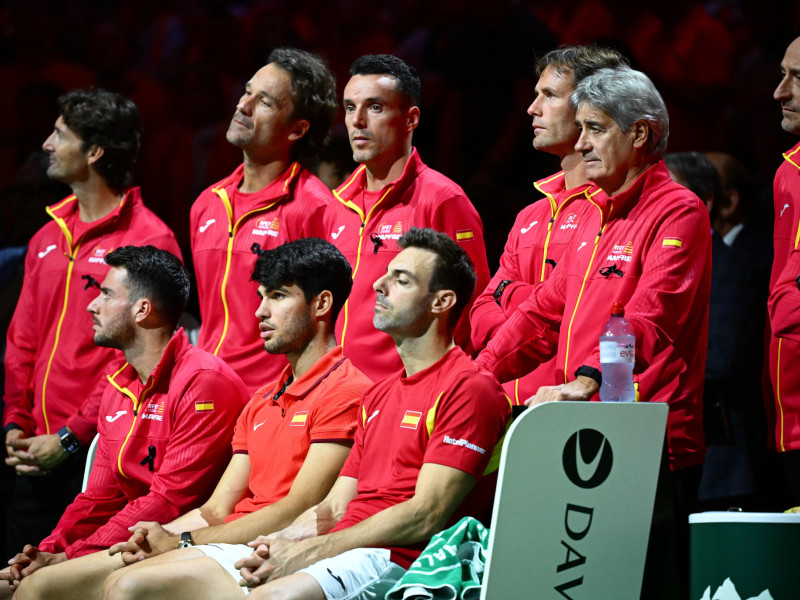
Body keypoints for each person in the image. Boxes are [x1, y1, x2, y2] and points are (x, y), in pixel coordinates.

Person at [104, 228, 510, 600]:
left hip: (398, 559)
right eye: (385, 275)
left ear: (442, 302)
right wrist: (277, 542)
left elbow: (426, 515)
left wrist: (311, 548)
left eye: (401, 280)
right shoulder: (382, 393)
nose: (378, 286)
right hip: (343, 546)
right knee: (128, 584)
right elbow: (332, 508)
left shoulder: (470, 387)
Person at [9, 238, 372, 600]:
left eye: (277, 296)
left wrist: (180, 539)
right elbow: (215, 508)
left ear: (322, 303)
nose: (260, 312)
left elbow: (295, 510)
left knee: (122, 586)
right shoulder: (261, 400)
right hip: (223, 541)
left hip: (269, 549)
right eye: (261, 296)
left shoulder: (346, 391)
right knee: (35, 586)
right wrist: (153, 537)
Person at [474, 67, 711, 599]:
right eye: (579, 128)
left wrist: (583, 384)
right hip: (578, 432)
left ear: (641, 134)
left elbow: (652, 320)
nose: (579, 144)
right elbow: (539, 315)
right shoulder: (591, 217)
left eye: (595, 129)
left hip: (651, 444)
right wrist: (474, 378)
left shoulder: (679, 212)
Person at [0, 246, 248, 597]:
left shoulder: (204, 381)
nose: (91, 305)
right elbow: (96, 498)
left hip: (183, 539)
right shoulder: (118, 382)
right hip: (133, 538)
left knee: (35, 589)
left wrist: (70, 558)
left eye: (105, 294)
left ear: (142, 309)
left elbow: (168, 502)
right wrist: (51, 548)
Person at [3, 88, 181, 557]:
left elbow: (147, 356)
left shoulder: (149, 239)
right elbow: (22, 339)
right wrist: (14, 424)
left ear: (95, 151)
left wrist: (69, 437)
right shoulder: (46, 236)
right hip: (29, 451)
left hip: (97, 451)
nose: (45, 144)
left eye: (59, 134)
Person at [470, 44, 628, 405]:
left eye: (549, 95)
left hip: (574, 407)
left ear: (592, 107)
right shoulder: (530, 215)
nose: (532, 108)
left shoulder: (614, 211)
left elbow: (589, 317)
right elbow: (479, 315)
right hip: (508, 402)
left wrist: (513, 297)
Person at [323, 55, 491, 382]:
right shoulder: (336, 204)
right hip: (335, 398)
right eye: (349, 107)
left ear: (411, 119)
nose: (357, 121)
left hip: (404, 398)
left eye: (374, 107)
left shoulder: (443, 199)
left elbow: (471, 308)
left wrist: (428, 387)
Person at [192, 47, 338, 393]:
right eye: (247, 92)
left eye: (265, 102)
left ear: (297, 129)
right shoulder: (206, 204)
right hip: (206, 395)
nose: (243, 106)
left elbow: (330, 324)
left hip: (270, 400)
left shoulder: (314, 209)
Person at [766, 35, 800, 505]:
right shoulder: (788, 172)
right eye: (782, 74)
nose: (780, 91)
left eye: (798, 79)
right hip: (786, 414)